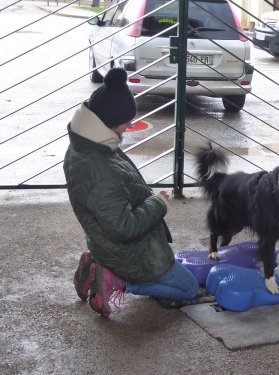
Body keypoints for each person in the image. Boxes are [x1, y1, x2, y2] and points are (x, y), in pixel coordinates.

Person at [64, 68, 200, 318]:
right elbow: (124, 227)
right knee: (189, 288)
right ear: (108, 121)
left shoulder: (87, 145)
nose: (129, 126)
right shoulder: (100, 166)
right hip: (128, 252)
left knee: (177, 266)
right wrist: (158, 203)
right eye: (126, 121)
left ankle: (98, 264)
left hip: (106, 243)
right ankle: (115, 280)